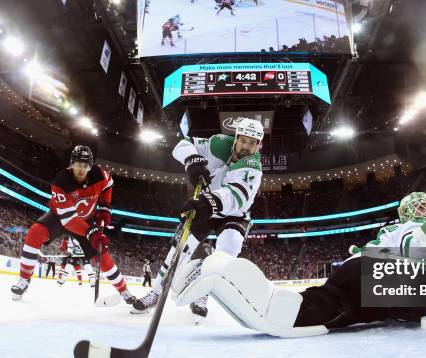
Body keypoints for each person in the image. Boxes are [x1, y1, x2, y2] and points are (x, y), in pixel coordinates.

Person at [173, 192, 426, 337]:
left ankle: (218, 265)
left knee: (308, 305)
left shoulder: (392, 229)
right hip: (392, 276)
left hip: (359, 272)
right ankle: (220, 268)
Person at [131, 118, 265, 318]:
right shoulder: (219, 143)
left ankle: (202, 296)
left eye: (252, 143)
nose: (246, 147)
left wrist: (207, 201)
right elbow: (182, 144)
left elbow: (237, 197)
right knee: (179, 248)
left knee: (231, 244)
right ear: (235, 138)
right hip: (206, 204)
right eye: (243, 140)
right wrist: (191, 161)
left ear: (258, 145)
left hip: (232, 213)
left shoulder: (253, 166)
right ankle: (155, 292)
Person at [10, 145, 136, 303]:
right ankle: (24, 280)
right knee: (35, 233)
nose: (81, 169)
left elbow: (108, 185)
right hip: (60, 217)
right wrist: (91, 232)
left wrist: (105, 207)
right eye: (78, 164)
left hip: (86, 220)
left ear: (90, 167)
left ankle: (124, 291)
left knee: (101, 255)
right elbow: (68, 220)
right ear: (71, 164)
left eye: (85, 165)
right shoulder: (61, 181)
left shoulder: (100, 175)